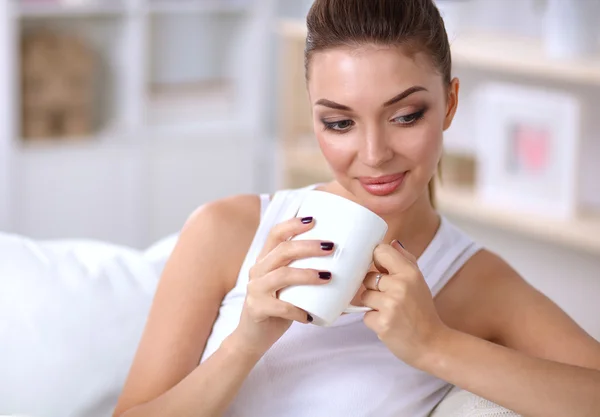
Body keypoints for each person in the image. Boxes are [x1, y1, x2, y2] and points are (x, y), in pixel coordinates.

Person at [113, 1, 600, 416]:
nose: (374, 153)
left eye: (406, 116)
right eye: (340, 123)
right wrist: (244, 344)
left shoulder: (478, 282)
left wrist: (434, 345)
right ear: (313, 115)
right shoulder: (225, 231)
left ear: (450, 104)